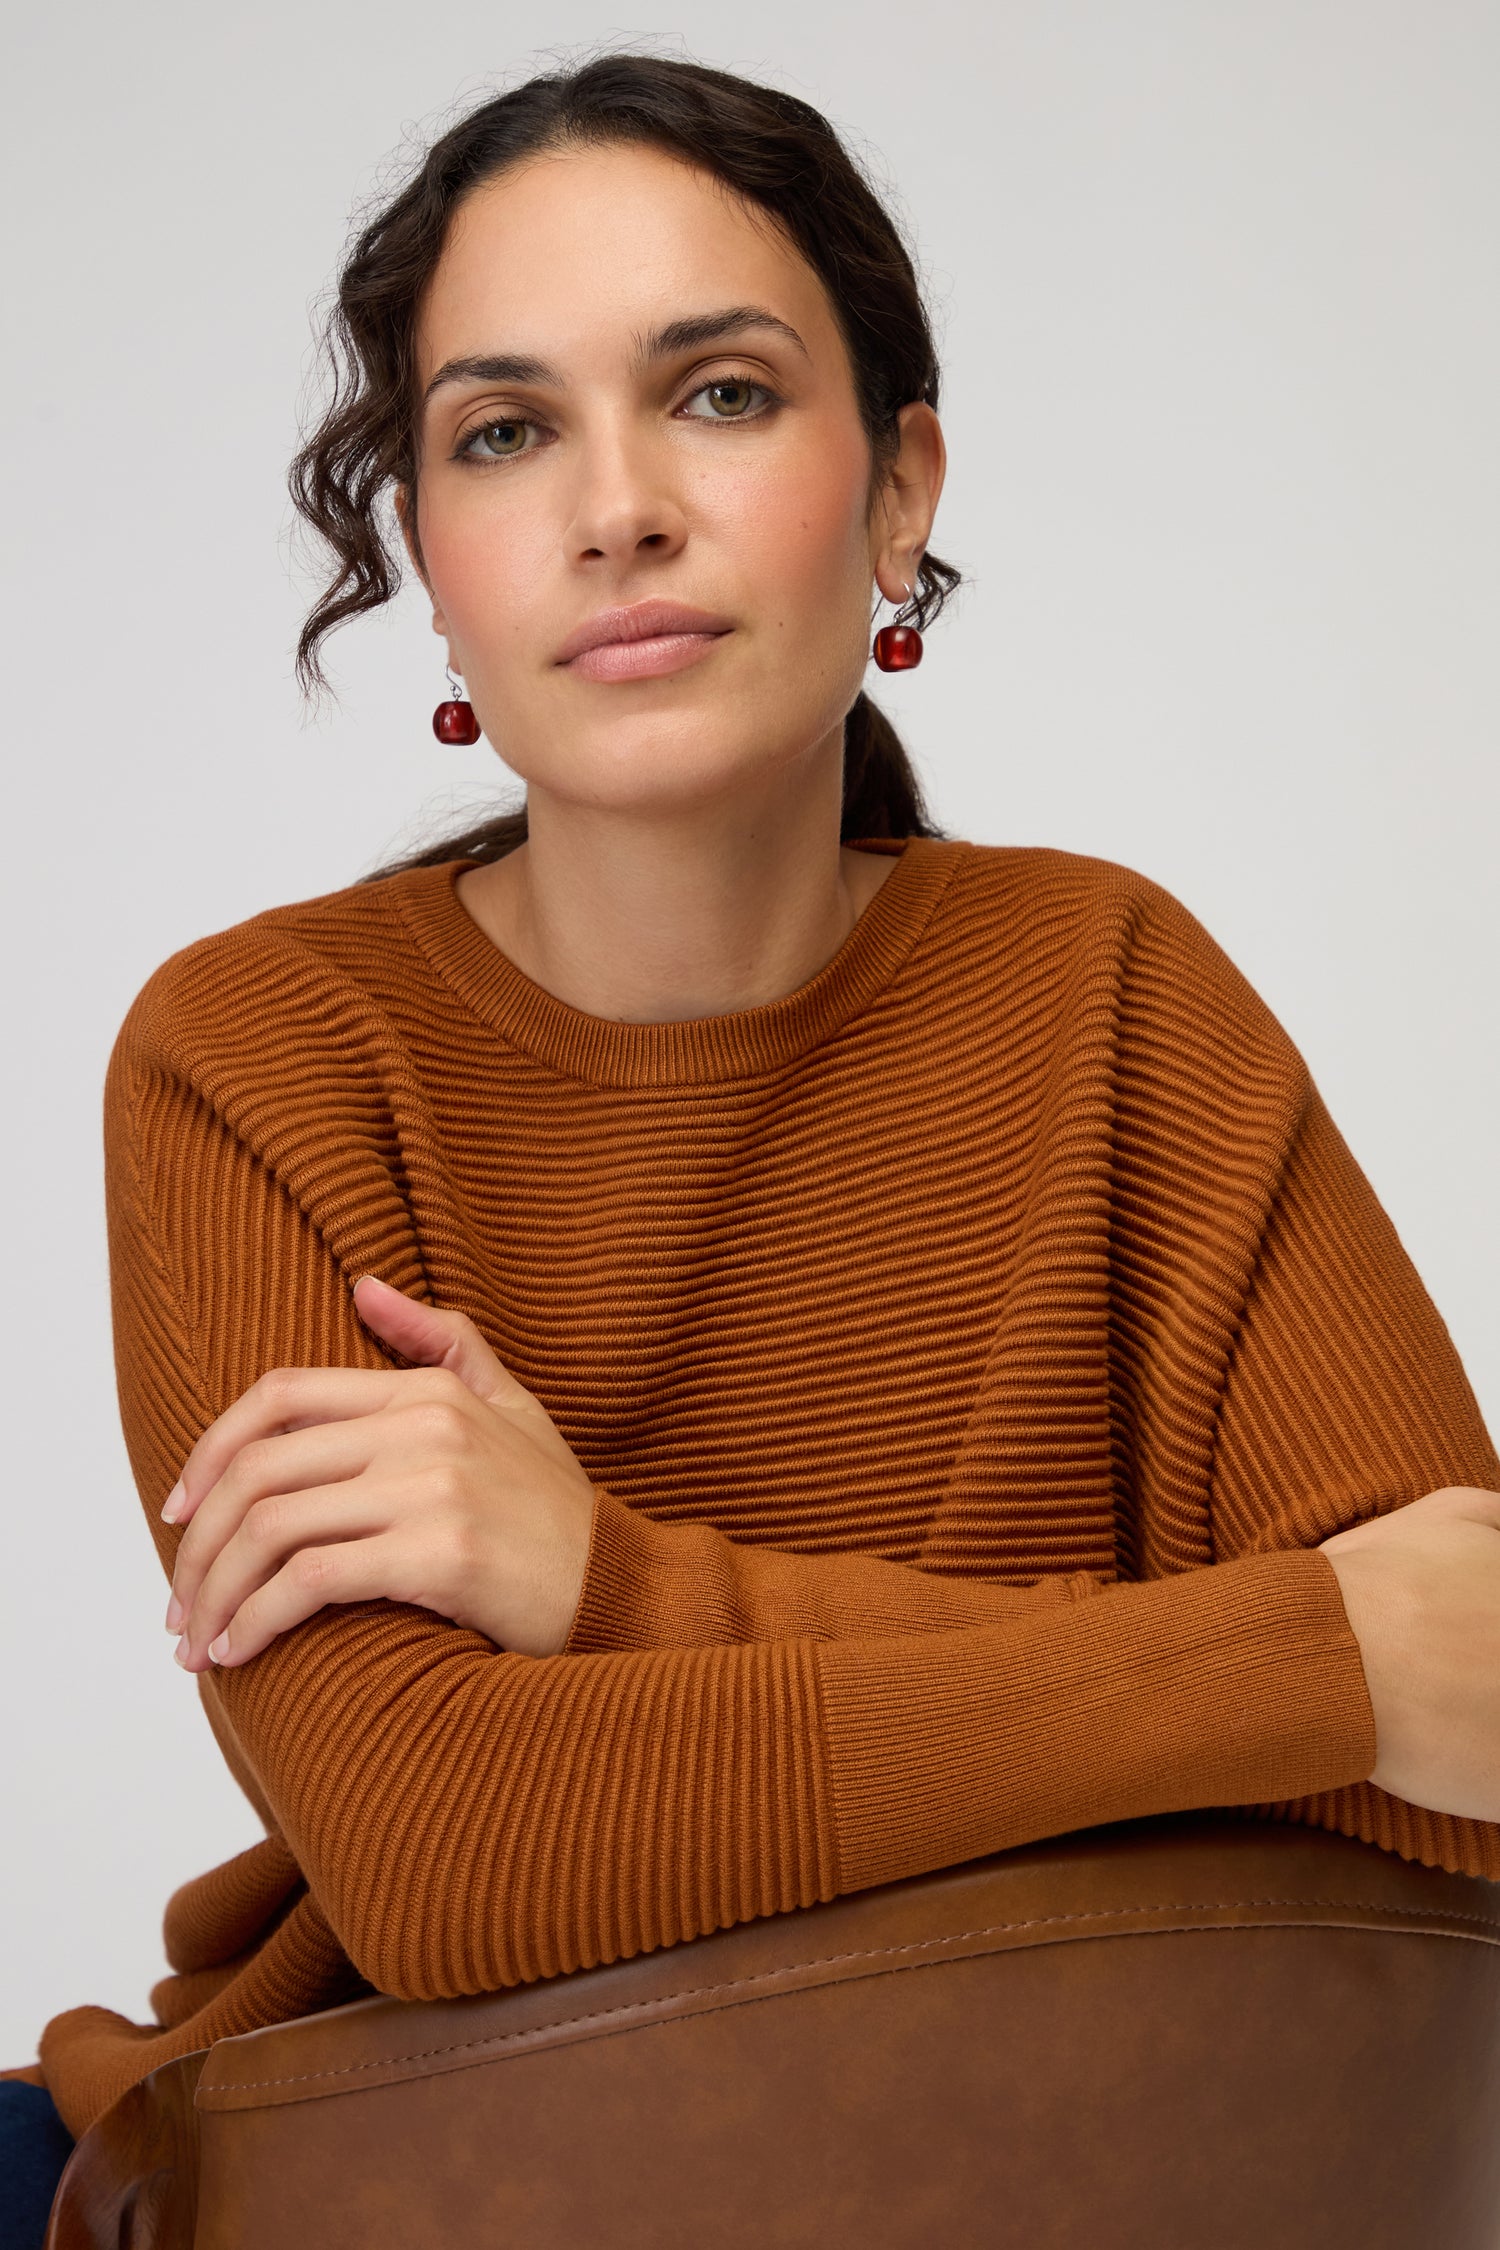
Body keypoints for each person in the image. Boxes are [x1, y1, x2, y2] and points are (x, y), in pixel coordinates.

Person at [4, 47, 1497, 2239]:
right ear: (429, 557)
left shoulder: (1113, 990)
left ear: (901, 491)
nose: (618, 506)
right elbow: (440, 1853)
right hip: (431, 2173)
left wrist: (606, 1594)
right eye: (504, 433)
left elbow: (1478, 1736)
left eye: (717, 392)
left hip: (1078, 2166)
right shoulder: (263, 1051)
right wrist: (1307, 1668)